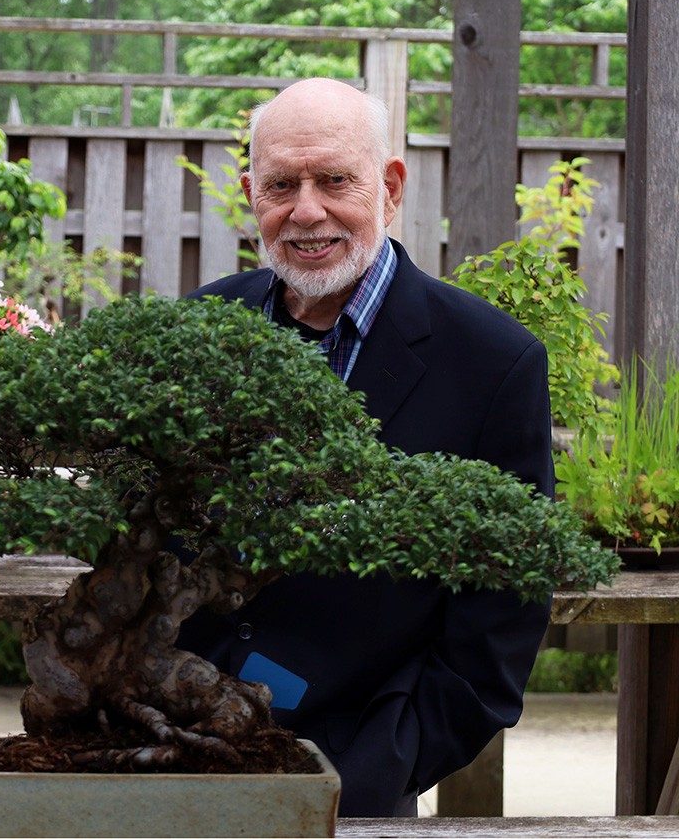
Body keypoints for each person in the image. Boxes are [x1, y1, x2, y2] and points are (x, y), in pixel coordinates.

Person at [178, 78, 553, 816]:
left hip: (354, 775)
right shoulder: (202, 327)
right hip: (177, 747)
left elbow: (501, 622)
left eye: (334, 180)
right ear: (251, 192)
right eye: (281, 184)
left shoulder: (490, 362)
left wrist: (378, 767)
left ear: (389, 187)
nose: (306, 210)